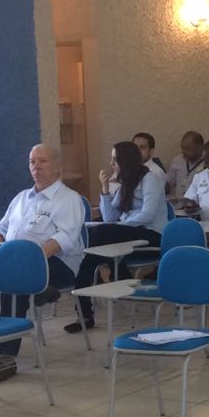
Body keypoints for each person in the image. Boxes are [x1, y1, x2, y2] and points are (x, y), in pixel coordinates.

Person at [0, 145, 85, 381]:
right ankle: (35, 286)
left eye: (43, 161)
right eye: (32, 162)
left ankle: (6, 358)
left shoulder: (69, 199)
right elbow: (0, 229)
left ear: (57, 166)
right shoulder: (21, 198)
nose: (36, 167)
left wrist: (31, 261)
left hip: (55, 264)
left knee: (13, 284)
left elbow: (65, 238)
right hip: (18, 261)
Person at [67, 141, 169, 332]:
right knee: (90, 253)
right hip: (128, 234)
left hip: (151, 235)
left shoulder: (151, 180)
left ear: (126, 160)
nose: (111, 163)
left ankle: (118, 274)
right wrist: (105, 188)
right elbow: (109, 217)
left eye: (115, 159)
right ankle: (84, 313)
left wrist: (118, 226)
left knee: (99, 234)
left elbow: (147, 215)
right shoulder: (126, 184)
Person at [166, 131, 206, 199]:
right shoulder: (177, 160)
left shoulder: (208, 163)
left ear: (200, 148)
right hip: (179, 204)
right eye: (182, 148)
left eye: (187, 148)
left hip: (199, 204)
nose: (183, 151)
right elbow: (169, 182)